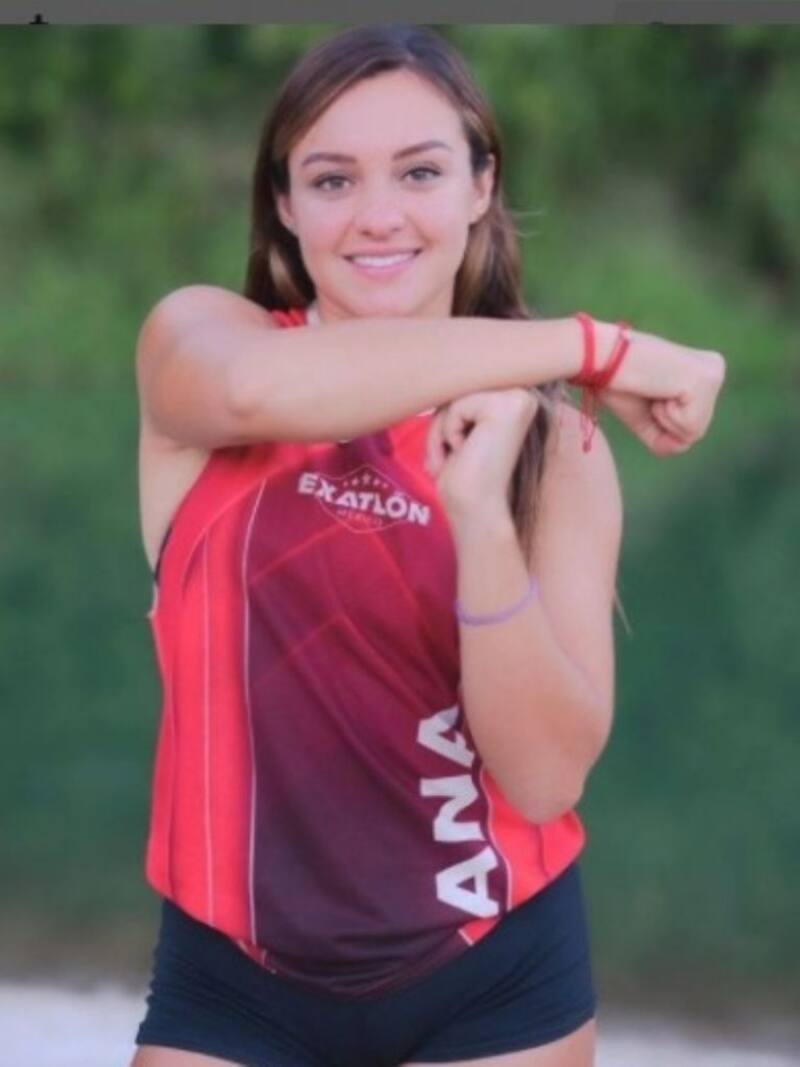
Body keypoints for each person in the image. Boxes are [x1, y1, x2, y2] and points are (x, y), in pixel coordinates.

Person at [130, 24, 725, 1067]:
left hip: (494, 979)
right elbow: (251, 392)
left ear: (479, 185)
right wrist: (597, 347)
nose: (377, 215)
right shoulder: (203, 345)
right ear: (283, 202)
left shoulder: (554, 448)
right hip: (230, 979)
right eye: (331, 179)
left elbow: (542, 779)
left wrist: (481, 521)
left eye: (419, 171)